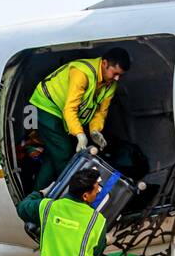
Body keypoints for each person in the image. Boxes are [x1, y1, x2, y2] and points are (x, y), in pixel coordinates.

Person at [28, 48, 131, 191]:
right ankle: (72, 193)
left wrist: (95, 130)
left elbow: (101, 112)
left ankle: (38, 195)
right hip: (47, 106)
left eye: (120, 75)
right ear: (104, 63)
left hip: (64, 114)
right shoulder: (82, 72)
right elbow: (70, 108)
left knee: (55, 155)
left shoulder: (110, 85)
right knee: (64, 151)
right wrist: (79, 134)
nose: (117, 79)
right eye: (115, 73)